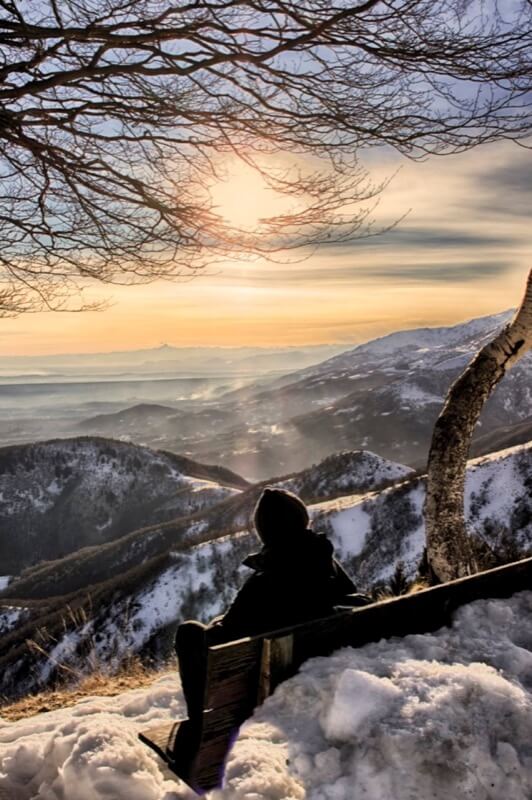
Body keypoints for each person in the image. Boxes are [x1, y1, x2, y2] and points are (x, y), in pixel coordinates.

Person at [176, 487, 369, 721]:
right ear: (302, 521)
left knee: (189, 633)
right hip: (319, 674)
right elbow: (351, 597)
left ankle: (200, 723)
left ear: (265, 533)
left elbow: (222, 641)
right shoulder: (324, 563)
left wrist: (216, 625)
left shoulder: (263, 583)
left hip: (271, 690)